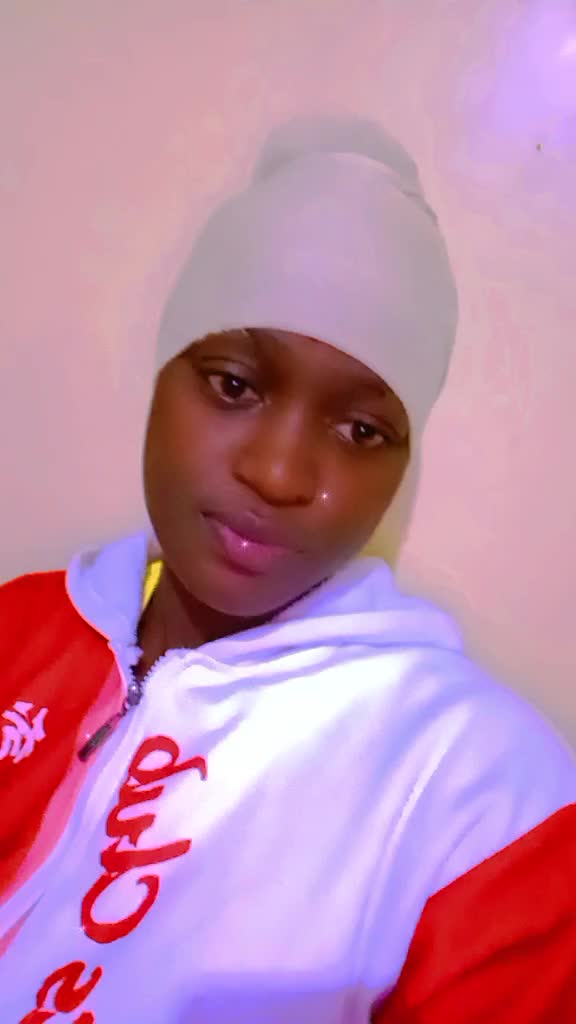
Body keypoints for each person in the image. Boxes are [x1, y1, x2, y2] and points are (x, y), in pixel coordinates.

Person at [1, 116, 575, 1024]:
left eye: (361, 430)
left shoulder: (487, 793)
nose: (277, 473)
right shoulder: (19, 629)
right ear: (162, 378)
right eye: (234, 384)